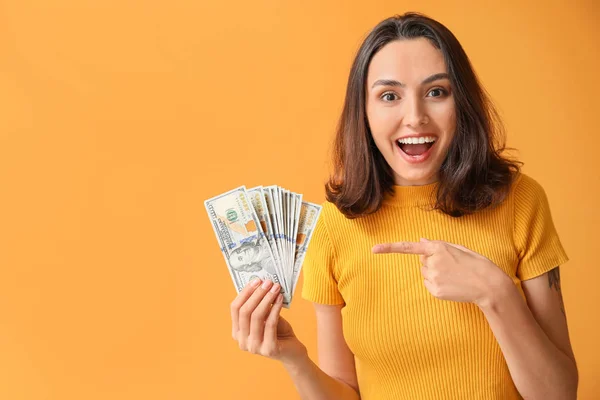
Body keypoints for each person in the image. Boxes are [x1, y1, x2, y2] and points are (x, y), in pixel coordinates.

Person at [228, 12, 578, 400]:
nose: (415, 118)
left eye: (436, 92)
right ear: (364, 112)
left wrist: (495, 294)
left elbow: (558, 394)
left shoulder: (520, 201)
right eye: (389, 96)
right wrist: (294, 358)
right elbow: (345, 391)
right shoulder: (334, 225)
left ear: (461, 103)